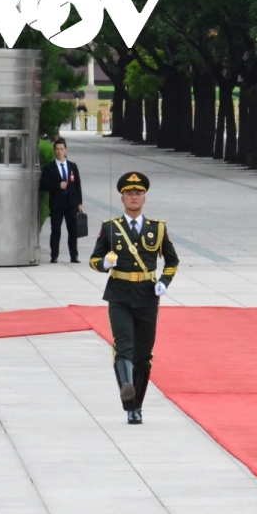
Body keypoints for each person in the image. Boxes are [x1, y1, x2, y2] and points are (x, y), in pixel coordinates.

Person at [89, 172, 179, 424]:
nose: (134, 197)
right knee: (123, 344)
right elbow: (94, 261)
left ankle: (136, 405)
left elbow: (172, 260)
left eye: (138, 193)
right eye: (129, 193)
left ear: (144, 198)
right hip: (119, 294)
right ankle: (128, 396)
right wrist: (105, 263)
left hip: (147, 296)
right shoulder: (110, 228)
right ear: (122, 198)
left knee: (143, 354)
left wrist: (164, 281)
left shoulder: (157, 229)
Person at [40, 138, 84, 263]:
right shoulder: (49, 167)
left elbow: (77, 185)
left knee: (73, 230)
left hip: (71, 204)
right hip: (57, 204)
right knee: (56, 230)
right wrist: (57, 186)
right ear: (54, 151)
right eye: (57, 149)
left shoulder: (72, 166)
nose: (59, 152)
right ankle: (54, 255)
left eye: (61, 149)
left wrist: (80, 202)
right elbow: (43, 185)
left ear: (65, 150)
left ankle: (74, 255)